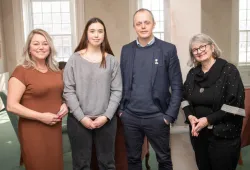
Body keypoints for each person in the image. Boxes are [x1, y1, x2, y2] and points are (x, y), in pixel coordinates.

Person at [119, 8, 183, 170]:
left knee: (164, 160)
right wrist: (122, 111)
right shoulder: (126, 50)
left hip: (157, 116)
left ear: (154, 24)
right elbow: (121, 82)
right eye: (138, 23)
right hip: (131, 116)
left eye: (146, 22)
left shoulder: (168, 49)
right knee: (133, 160)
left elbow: (177, 86)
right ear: (134, 27)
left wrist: (169, 116)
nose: (143, 26)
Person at [63, 17, 122, 170]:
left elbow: (117, 91)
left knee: (107, 164)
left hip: (106, 121)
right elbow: (68, 90)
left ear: (104, 35)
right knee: (81, 165)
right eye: (92, 31)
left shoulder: (112, 61)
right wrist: (82, 118)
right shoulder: (74, 59)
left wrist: (106, 116)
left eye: (100, 31)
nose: (96, 35)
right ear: (86, 34)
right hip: (78, 121)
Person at [181, 33, 245, 170]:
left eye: (202, 46)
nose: (199, 51)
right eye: (195, 49)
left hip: (223, 136)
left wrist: (207, 120)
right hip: (199, 136)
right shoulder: (192, 74)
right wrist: (190, 116)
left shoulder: (229, 71)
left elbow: (234, 106)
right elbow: (184, 98)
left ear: (212, 47)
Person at [7, 29, 68, 170]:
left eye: (45, 43)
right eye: (36, 44)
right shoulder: (21, 71)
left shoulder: (56, 70)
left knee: (55, 165)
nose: (41, 47)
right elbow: (11, 106)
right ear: (29, 48)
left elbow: (61, 94)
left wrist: (65, 104)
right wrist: (41, 117)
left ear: (50, 47)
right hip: (33, 130)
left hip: (54, 128)